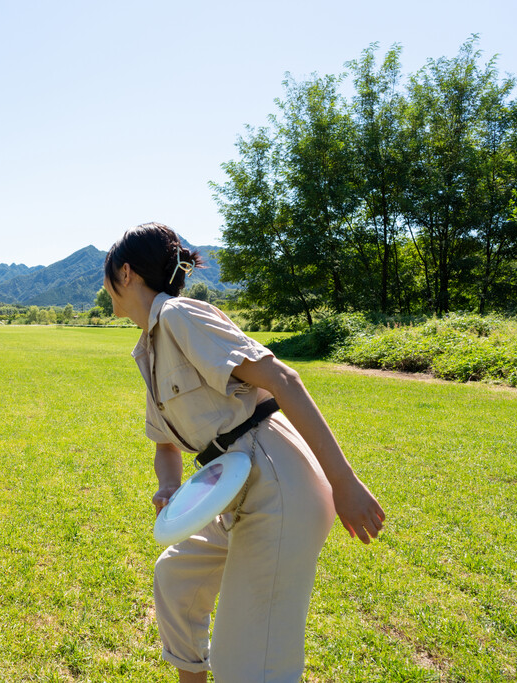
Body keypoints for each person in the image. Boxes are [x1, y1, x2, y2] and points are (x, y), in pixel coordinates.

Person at [103, 223, 384, 682]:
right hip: (229, 483)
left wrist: (344, 482)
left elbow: (284, 379)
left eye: (108, 275)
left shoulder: (178, 316)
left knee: (249, 666)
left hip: (276, 480)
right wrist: (170, 487)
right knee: (176, 579)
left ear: (126, 272)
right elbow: (166, 444)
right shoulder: (148, 348)